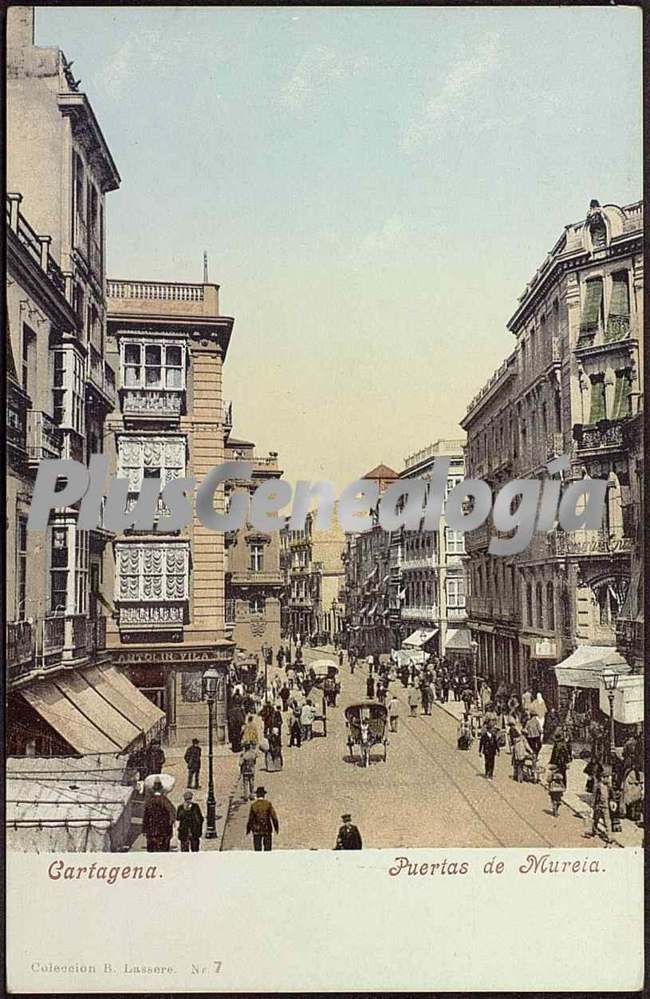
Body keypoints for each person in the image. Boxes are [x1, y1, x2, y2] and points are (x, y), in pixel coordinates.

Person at [142, 779, 176, 852]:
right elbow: (172, 815)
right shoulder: (165, 801)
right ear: (162, 790)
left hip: (152, 831)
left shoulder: (149, 802)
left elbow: (146, 817)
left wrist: (144, 830)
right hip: (164, 831)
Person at [246, 786, 279, 851]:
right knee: (267, 850)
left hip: (256, 829)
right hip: (267, 828)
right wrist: (276, 827)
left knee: (257, 850)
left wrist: (248, 829)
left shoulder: (254, 805)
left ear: (257, 795)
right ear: (264, 795)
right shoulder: (268, 804)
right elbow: (274, 816)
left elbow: (251, 818)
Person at [585, 768, 613, 845]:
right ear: (601, 778)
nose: (607, 779)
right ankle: (593, 831)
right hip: (598, 805)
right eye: (605, 777)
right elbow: (595, 796)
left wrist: (612, 801)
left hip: (606, 806)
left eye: (608, 777)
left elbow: (611, 795)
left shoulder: (609, 786)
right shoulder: (598, 786)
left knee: (607, 821)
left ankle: (609, 836)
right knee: (595, 819)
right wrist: (593, 805)